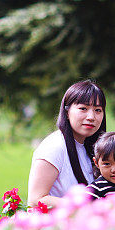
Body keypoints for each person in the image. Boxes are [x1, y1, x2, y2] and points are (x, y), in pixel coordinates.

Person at [27, 80, 106, 209]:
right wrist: (84, 206)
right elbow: (36, 200)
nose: (91, 116)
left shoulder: (93, 147)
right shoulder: (54, 146)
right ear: (67, 111)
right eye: (83, 109)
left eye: (98, 110)